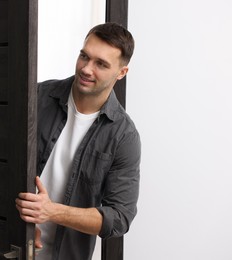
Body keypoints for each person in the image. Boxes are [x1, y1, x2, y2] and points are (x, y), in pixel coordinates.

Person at [15, 23, 141, 260]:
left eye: (101, 64)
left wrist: (51, 211)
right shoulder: (37, 97)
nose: (86, 68)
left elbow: (119, 218)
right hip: (14, 248)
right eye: (84, 56)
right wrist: (26, 227)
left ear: (121, 72)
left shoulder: (124, 136)